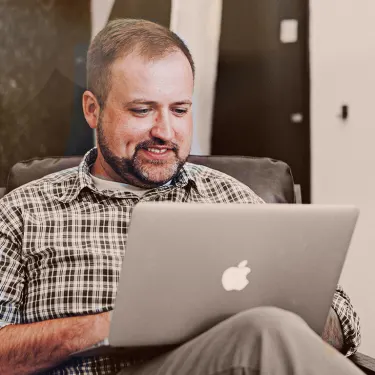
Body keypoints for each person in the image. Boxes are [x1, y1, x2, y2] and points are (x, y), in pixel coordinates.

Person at [0, 19, 362, 375]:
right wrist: (110, 324)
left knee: (266, 329)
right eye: (142, 110)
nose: (165, 131)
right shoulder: (23, 212)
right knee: (264, 333)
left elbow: (342, 322)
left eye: (180, 110)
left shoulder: (230, 197)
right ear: (93, 109)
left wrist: (277, 305)